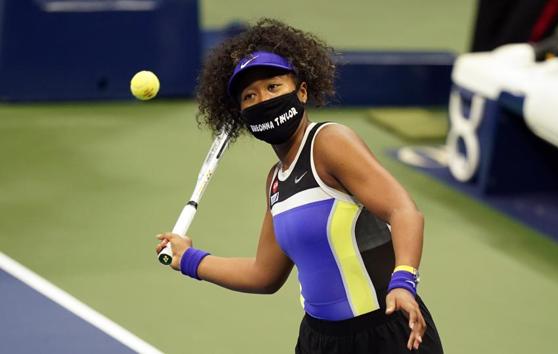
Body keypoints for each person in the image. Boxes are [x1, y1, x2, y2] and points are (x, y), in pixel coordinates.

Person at [156, 18, 443, 354]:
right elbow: (264, 275)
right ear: (242, 114)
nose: (263, 98)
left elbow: (403, 210)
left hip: (385, 333)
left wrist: (405, 281)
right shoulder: (275, 182)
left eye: (273, 87)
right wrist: (188, 258)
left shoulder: (330, 143)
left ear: (302, 91)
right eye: (250, 95)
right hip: (319, 342)